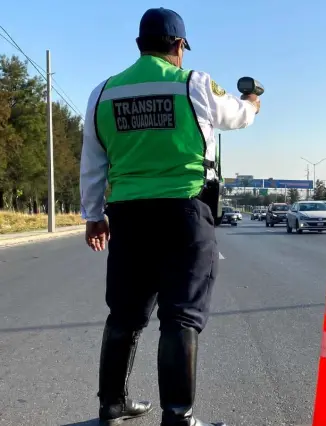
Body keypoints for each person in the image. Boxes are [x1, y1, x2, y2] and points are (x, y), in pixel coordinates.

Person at [79, 7, 260, 426]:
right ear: (178, 45)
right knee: (180, 315)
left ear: (140, 45)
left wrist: (94, 215)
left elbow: (92, 162)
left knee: (124, 313)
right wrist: (252, 101)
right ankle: (178, 417)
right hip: (184, 211)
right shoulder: (193, 83)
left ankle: (112, 405)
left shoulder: (103, 93)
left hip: (127, 215)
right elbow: (238, 116)